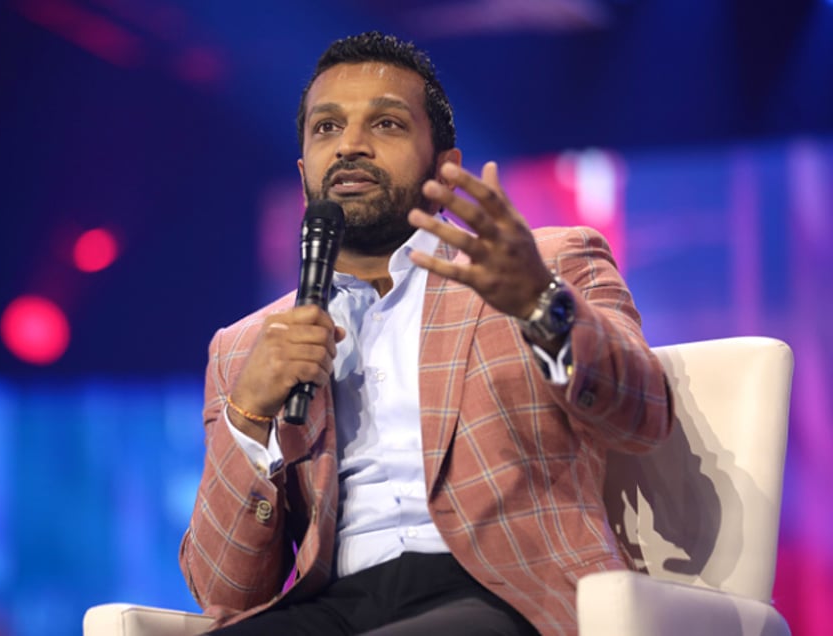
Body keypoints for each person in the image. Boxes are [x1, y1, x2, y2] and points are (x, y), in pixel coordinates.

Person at [180, 31, 672, 636]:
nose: (350, 147)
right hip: (336, 608)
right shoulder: (245, 347)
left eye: (385, 125)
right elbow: (225, 594)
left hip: (509, 592)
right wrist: (249, 418)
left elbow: (645, 415)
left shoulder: (540, 265)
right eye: (327, 128)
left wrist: (539, 305)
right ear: (305, 170)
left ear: (445, 167)